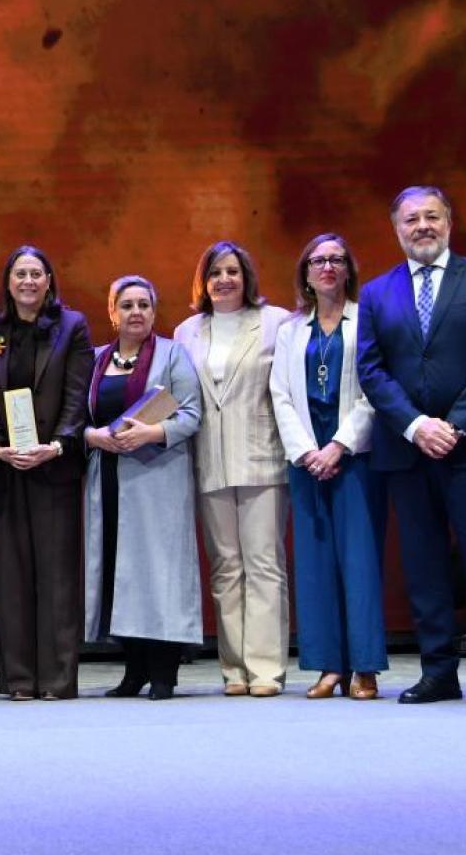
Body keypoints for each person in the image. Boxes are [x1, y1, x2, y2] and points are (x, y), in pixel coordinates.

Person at [357, 185, 466, 705]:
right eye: (412, 219)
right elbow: (371, 367)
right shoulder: (375, 293)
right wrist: (416, 426)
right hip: (407, 451)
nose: (423, 226)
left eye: (432, 216)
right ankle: (438, 672)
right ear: (397, 229)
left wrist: (454, 425)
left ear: (449, 222)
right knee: (424, 564)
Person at [0, 245, 93, 700]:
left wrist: (58, 445)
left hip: (55, 467)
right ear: (8, 282)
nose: (27, 282)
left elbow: (77, 396)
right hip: (8, 470)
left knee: (58, 577)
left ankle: (58, 680)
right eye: (19, 274)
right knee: (12, 576)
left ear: (48, 281)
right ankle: (19, 680)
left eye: (36, 274)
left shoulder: (72, 328)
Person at [269, 234, 386, 700]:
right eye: (318, 260)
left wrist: (337, 446)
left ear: (348, 269)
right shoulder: (290, 330)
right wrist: (306, 451)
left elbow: (374, 391)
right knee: (315, 564)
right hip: (305, 460)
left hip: (354, 457)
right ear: (306, 272)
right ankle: (328, 667)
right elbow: (280, 393)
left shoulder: (367, 321)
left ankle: (365, 668)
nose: (328, 267)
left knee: (358, 562)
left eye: (337, 259)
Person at [173, 241, 292, 696]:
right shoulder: (187, 331)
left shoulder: (274, 322)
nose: (225, 279)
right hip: (209, 460)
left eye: (233, 272)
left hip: (262, 457)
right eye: (216, 272)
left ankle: (266, 669)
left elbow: (284, 389)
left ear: (247, 278)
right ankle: (234, 669)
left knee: (263, 563)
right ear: (203, 280)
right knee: (225, 567)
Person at [84, 276, 203, 701]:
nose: (136, 312)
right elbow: (78, 416)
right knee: (121, 576)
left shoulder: (173, 355)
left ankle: (164, 672)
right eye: (127, 305)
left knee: (159, 575)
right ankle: (133, 670)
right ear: (112, 312)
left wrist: (150, 433)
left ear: (154, 311)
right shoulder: (96, 360)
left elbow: (191, 414)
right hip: (110, 480)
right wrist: (90, 436)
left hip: (158, 480)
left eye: (144, 305)